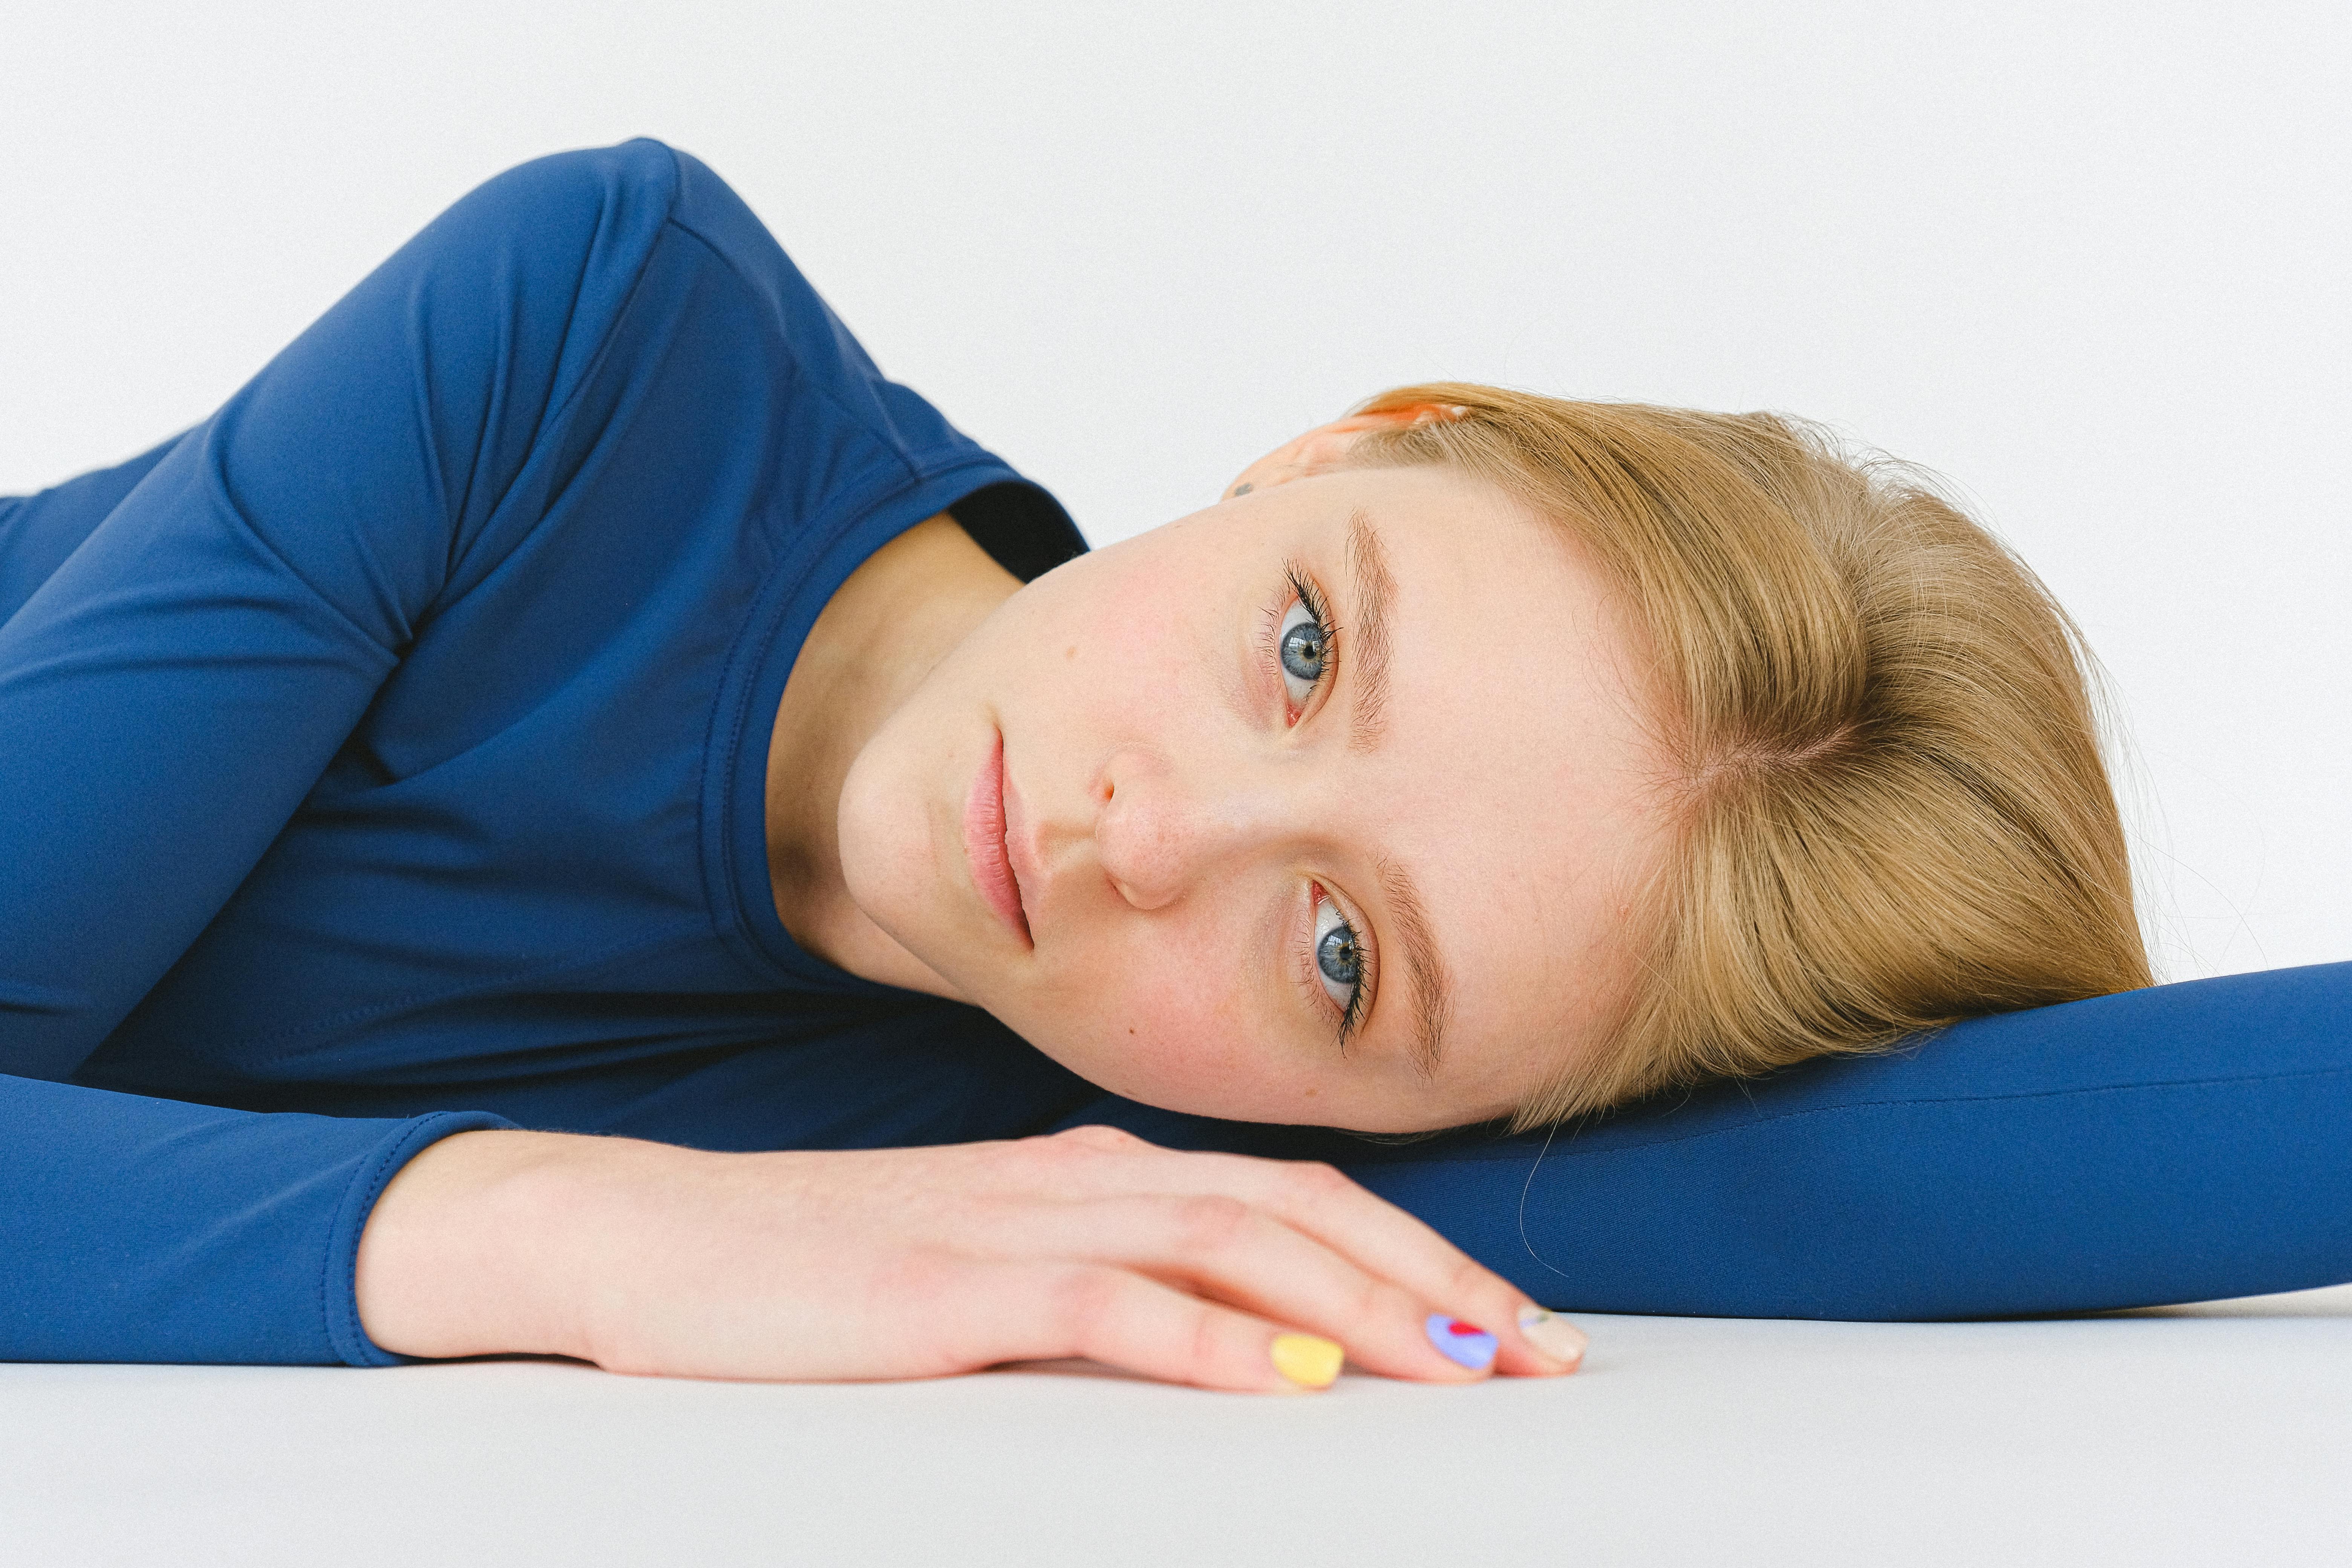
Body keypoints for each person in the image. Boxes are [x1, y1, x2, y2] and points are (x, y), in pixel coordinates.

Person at [0, 139, 2145, 1391]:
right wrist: (587, 1238)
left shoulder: (1159, 1137)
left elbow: (2087, 1144)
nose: (1151, 836)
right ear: (1348, 441)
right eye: (1304, 648)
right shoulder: (594, 346)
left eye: (1339, 957)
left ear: (1456, 1116)